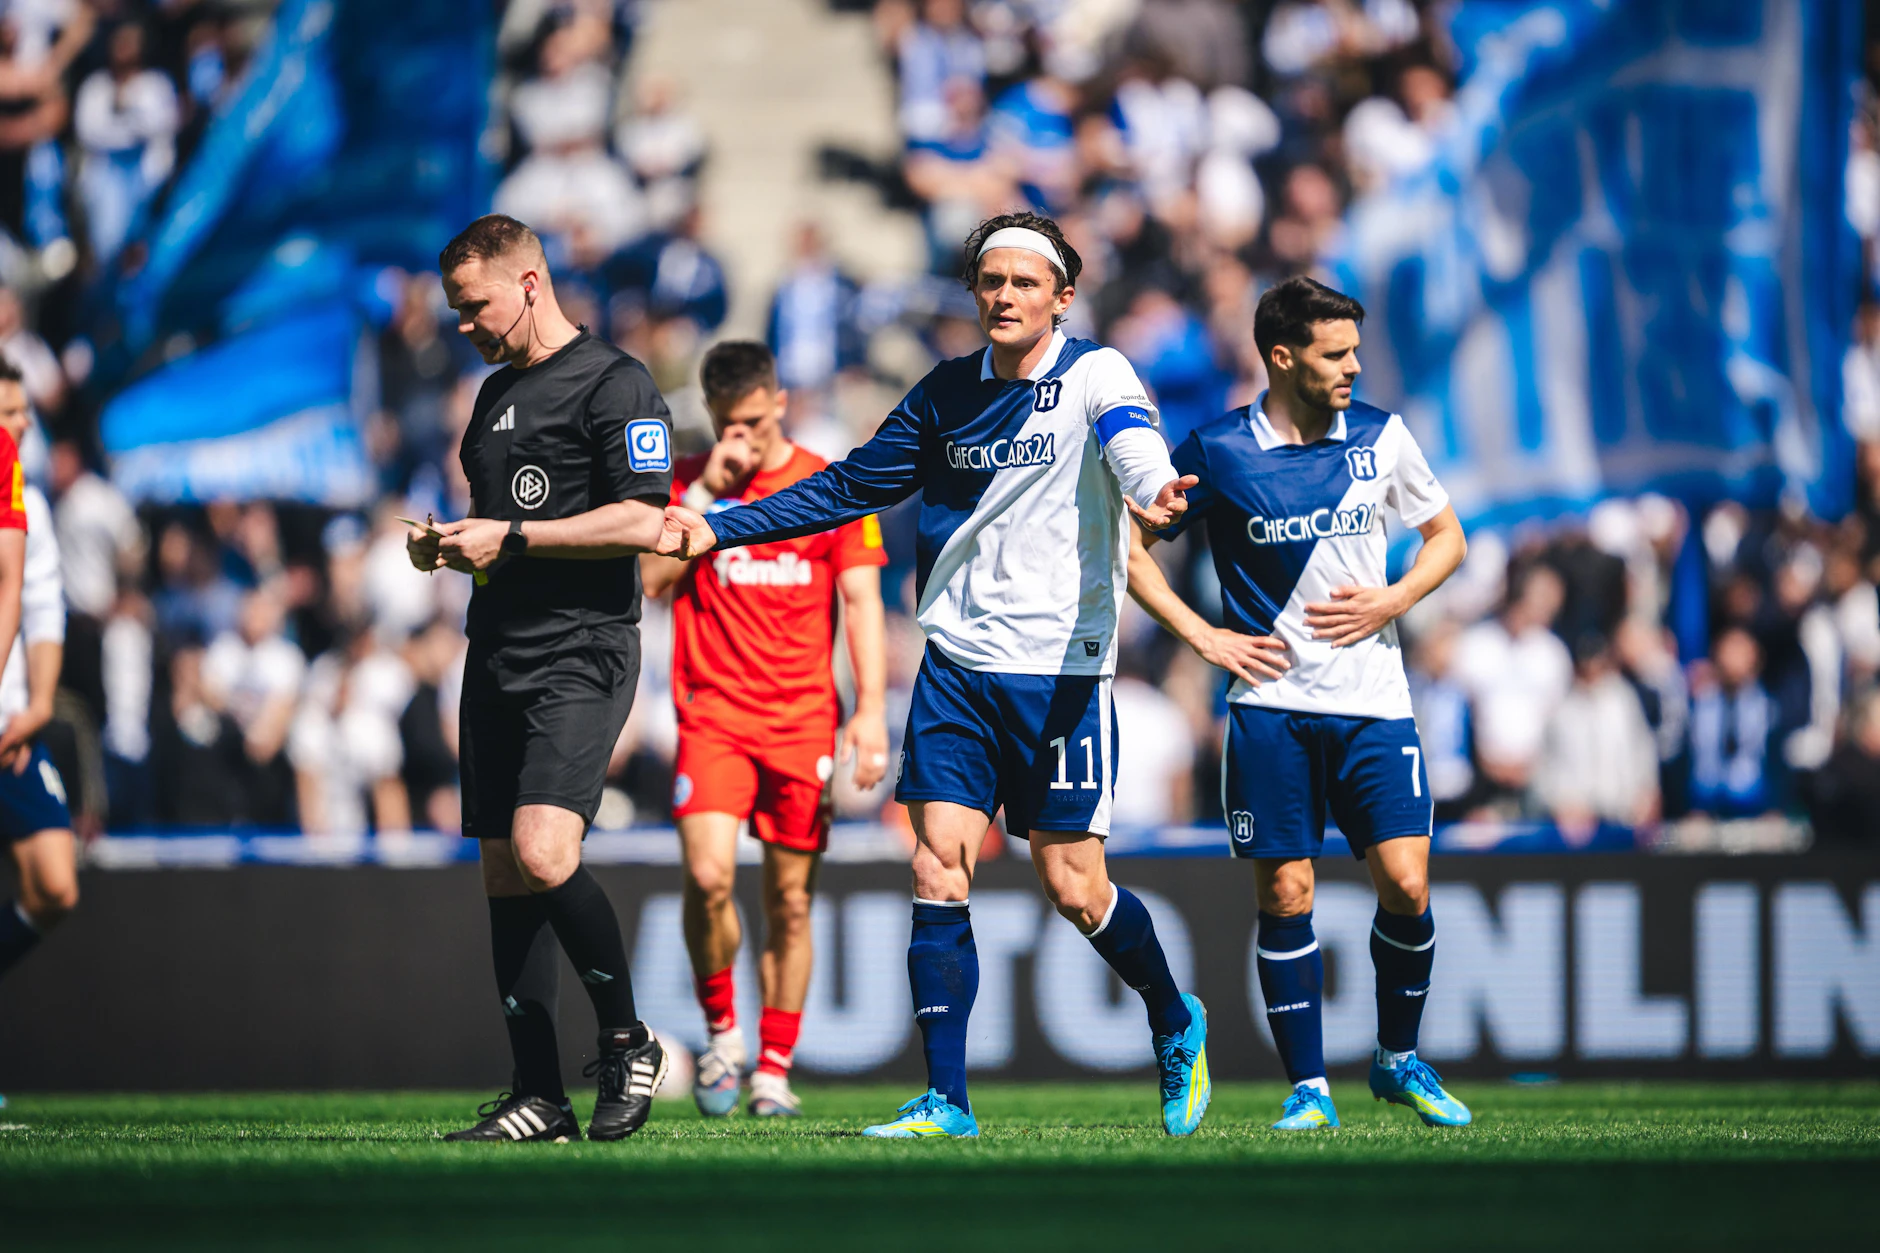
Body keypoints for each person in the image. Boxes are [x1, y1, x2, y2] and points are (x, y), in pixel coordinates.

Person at [659, 211, 1212, 1139]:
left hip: (1061, 675)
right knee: (934, 862)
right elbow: (850, 485)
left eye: (1024, 283)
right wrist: (722, 523)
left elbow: (1132, 444)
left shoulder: (1095, 373)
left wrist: (1155, 491)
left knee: (1074, 887)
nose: (1003, 296)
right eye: (990, 281)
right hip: (957, 664)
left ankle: (1172, 1014)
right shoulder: (945, 393)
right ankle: (946, 1099)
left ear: (1062, 297)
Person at [1126, 276, 1473, 1131]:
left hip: (1375, 703)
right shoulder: (1215, 450)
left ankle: (1397, 1058)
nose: (1354, 366)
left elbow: (1447, 539)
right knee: (1286, 890)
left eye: (1355, 350)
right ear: (1281, 357)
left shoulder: (1384, 438)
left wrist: (1393, 600)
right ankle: (1309, 1088)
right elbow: (1131, 550)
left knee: (1405, 879)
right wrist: (1203, 636)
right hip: (1270, 705)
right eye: (1335, 353)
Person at [410, 214, 674, 1143]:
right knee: (504, 874)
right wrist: (457, 549)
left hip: (585, 646)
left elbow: (647, 523)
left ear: (529, 283)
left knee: (545, 853)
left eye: (473, 305)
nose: (463, 324)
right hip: (496, 648)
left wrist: (511, 535)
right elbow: (499, 536)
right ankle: (537, 1095)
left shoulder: (616, 381)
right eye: (454, 309)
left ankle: (628, 1038)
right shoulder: (489, 396)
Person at [640, 340, 889, 1120]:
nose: (739, 440)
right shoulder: (689, 484)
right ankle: (723, 1033)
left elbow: (862, 600)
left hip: (800, 720)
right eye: (726, 425)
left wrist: (873, 708)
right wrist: (709, 496)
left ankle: (773, 1068)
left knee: (789, 900)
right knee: (709, 876)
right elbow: (649, 585)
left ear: (778, 403)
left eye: (751, 422)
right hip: (712, 715)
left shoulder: (830, 483)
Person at [0, 360, 66, 985]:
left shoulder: (30, 504)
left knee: (55, 884)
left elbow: (40, 608)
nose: (23, 422)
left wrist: (39, 705)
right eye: (9, 411)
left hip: (10, 722)